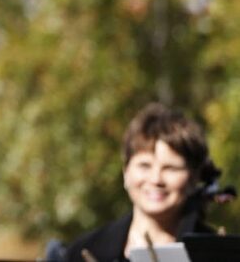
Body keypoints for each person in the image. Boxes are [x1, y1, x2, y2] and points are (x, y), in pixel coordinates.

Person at [63, 102, 233, 262]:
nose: (156, 179)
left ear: (194, 177)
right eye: (145, 166)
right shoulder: (84, 251)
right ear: (126, 172)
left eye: (170, 168)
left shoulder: (218, 255)